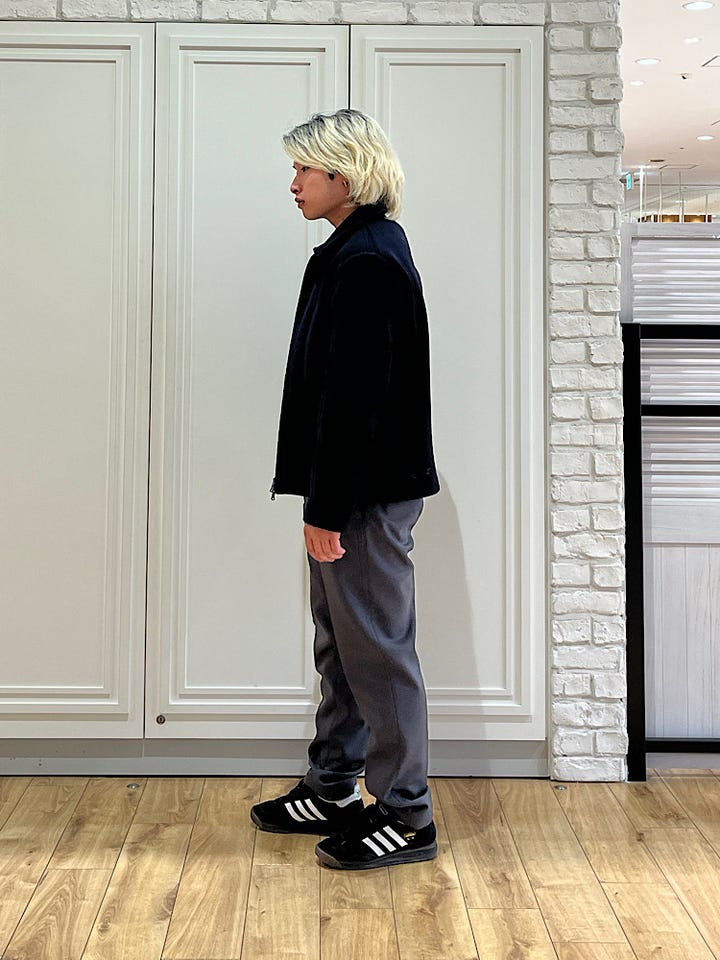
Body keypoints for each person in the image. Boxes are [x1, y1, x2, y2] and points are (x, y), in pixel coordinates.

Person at [250, 109, 440, 870]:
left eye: (304, 169)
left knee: (377, 653)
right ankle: (333, 786)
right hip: (346, 489)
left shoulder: (367, 260)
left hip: (362, 493)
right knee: (342, 645)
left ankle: (407, 814)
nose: (293, 183)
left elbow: (356, 399)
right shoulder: (349, 251)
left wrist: (327, 507)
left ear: (346, 174)